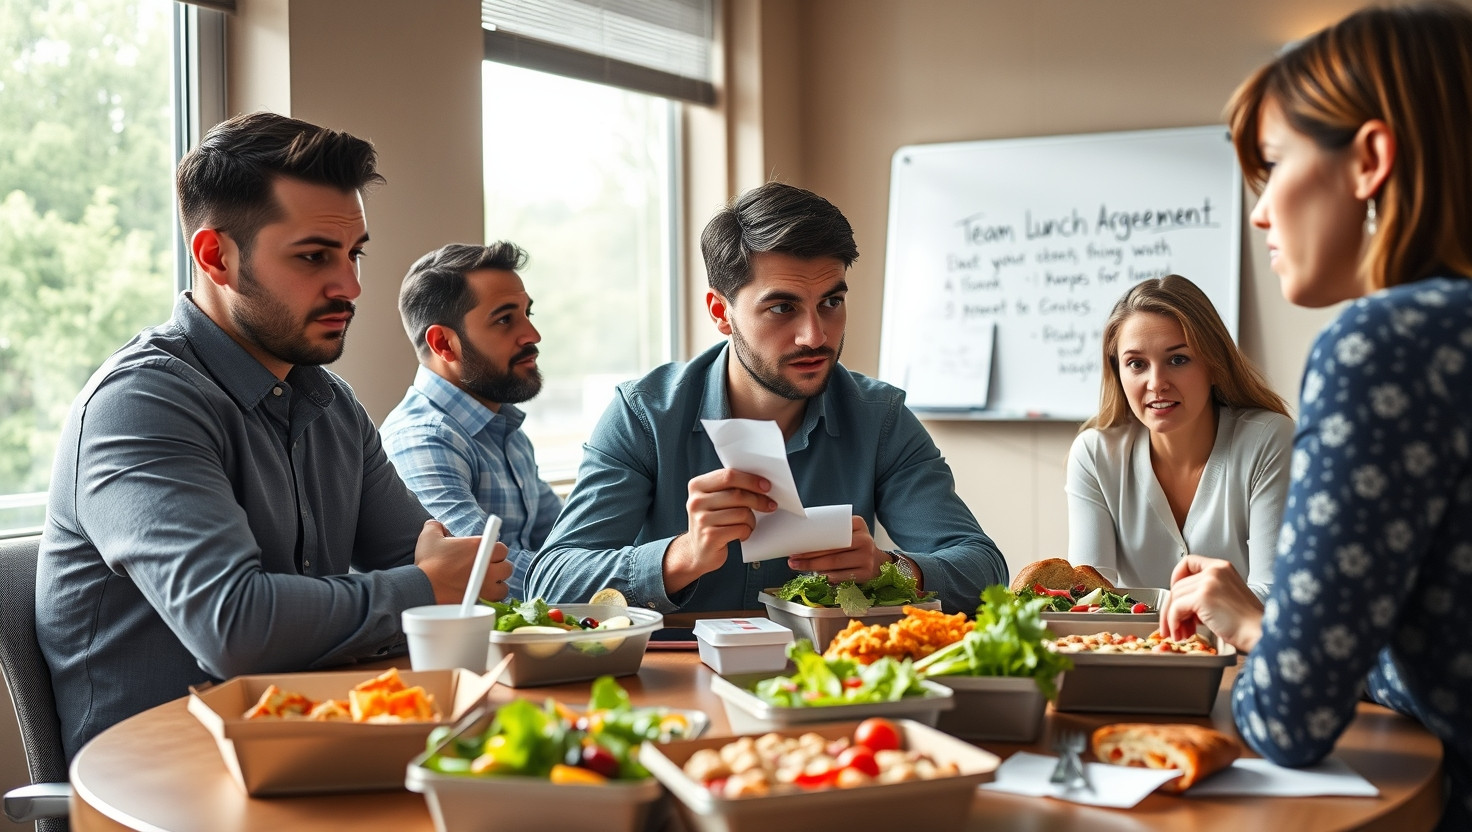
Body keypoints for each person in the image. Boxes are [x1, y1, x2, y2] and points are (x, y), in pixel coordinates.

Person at [35, 112, 510, 758]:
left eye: (354, 253)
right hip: (162, 793)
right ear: (216, 256)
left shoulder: (331, 404)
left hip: (315, 757)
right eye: (315, 256)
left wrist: (442, 580)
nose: (351, 286)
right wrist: (426, 588)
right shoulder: (139, 405)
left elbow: (441, 563)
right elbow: (235, 626)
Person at [1158, 5, 1472, 827]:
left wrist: (1282, 651)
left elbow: (1289, 722)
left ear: (1369, 158)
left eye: (1272, 165)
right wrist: (1280, 629)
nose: (1259, 211)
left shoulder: (1384, 343)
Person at [525, 181, 1006, 614]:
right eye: (782, 308)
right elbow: (549, 583)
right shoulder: (644, 415)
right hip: (670, 680)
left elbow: (985, 568)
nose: (814, 336)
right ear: (720, 311)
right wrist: (683, 556)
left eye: (831, 303)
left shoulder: (880, 418)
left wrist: (891, 569)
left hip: (829, 681)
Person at [1066, 274, 1292, 599]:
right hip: (1129, 650)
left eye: (1178, 359)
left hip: (1241, 650)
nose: (1156, 383)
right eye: (1137, 364)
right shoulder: (1094, 455)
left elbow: (1275, 593)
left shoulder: (1268, 440)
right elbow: (1088, 598)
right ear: (1117, 370)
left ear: (1214, 365)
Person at [382, 242, 562, 600]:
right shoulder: (424, 440)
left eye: (528, 314)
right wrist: (622, 577)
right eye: (505, 319)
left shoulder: (504, 428)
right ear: (444, 344)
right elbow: (485, 574)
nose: (532, 335)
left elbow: (566, 539)